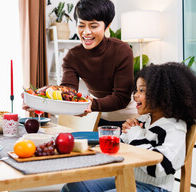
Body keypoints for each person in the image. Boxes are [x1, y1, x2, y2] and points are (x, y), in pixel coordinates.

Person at [61, 62, 196, 192]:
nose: (135, 95)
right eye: (136, 90)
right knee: (73, 187)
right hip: (130, 177)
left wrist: (135, 135)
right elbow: (127, 146)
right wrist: (126, 133)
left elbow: (160, 168)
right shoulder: (145, 119)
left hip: (154, 187)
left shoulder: (174, 128)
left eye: (141, 90)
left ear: (163, 94)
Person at [60, 0, 137, 127]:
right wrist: (38, 103)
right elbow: (68, 93)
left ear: (107, 27)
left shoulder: (122, 50)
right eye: (81, 25)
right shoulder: (72, 56)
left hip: (126, 117)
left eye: (94, 26)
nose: (86, 32)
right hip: (95, 114)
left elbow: (121, 98)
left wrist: (90, 104)